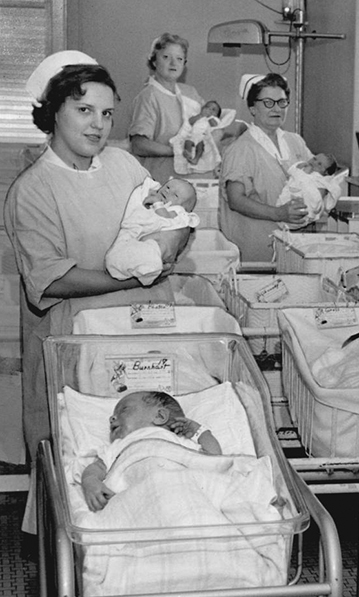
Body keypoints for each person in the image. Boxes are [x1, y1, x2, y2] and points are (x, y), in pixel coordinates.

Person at [4, 52, 214, 533]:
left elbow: (167, 217)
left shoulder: (121, 164)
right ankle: (75, 575)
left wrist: (171, 244)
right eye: (84, 110)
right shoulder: (33, 190)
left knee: (151, 448)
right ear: (54, 110)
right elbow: (52, 279)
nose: (98, 125)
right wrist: (135, 275)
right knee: (84, 462)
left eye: (106, 113)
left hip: (145, 333)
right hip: (77, 345)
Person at [218, 73, 315, 261]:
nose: (276, 108)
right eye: (268, 102)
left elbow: (316, 177)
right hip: (255, 248)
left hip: (294, 248)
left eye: (282, 102)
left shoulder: (295, 142)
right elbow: (235, 199)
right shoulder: (241, 149)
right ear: (253, 107)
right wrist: (278, 213)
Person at [77, 391, 221, 512]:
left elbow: (214, 459)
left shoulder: (178, 441)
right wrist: (90, 482)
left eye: (124, 410)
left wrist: (200, 432)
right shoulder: (118, 446)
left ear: (159, 417)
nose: (112, 418)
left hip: (182, 494)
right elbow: (96, 468)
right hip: (138, 501)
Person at [129, 33, 205, 183]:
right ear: (154, 61)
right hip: (162, 181)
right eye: (166, 57)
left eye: (179, 59)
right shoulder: (148, 96)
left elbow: (209, 124)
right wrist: (176, 151)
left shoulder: (190, 93)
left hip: (195, 180)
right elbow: (138, 145)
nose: (173, 63)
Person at [105, 177, 200, 285]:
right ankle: (120, 264)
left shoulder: (178, 212)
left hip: (154, 241)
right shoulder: (153, 194)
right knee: (126, 250)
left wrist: (157, 203)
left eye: (175, 195)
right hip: (139, 235)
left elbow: (166, 218)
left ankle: (148, 267)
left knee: (151, 249)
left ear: (184, 208)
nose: (168, 191)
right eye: (168, 187)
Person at [275, 152, 345, 229]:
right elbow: (290, 172)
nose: (314, 163)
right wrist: (297, 168)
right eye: (314, 158)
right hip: (284, 208)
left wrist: (302, 174)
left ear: (326, 173)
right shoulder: (304, 167)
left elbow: (314, 197)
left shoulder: (321, 180)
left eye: (319, 164)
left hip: (303, 214)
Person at [182, 100, 221, 164]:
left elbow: (214, 124)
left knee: (200, 147)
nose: (209, 109)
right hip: (193, 134)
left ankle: (196, 159)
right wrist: (201, 115)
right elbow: (190, 121)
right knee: (187, 142)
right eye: (207, 107)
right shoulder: (198, 115)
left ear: (217, 115)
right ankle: (188, 153)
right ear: (202, 108)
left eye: (213, 109)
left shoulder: (215, 119)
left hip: (203, 136)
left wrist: (209, 117)